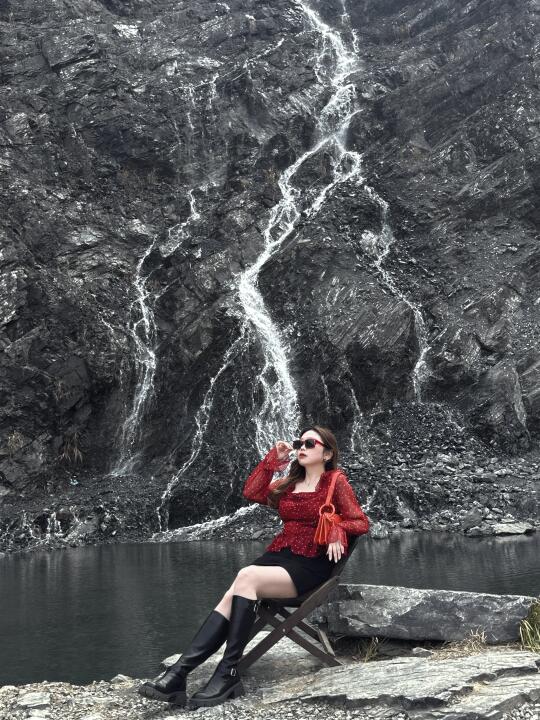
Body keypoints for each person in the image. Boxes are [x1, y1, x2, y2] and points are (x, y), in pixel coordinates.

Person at [137, 424, 370, 708]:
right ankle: (179, 674)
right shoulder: (288, 484)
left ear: (327, 453)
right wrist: (273, 460)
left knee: (246, 577)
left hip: (311, 565)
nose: (301, 448)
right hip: (279, 557)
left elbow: (361, 522)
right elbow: (251, 492)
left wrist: (336, 528)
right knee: (235, 589)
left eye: (310, 444)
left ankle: (227, 672)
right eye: (299, 443)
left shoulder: (335, 482)